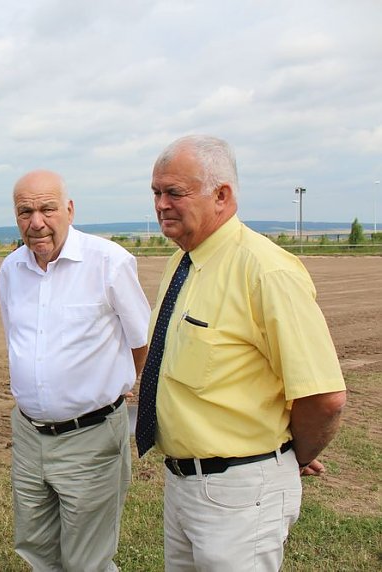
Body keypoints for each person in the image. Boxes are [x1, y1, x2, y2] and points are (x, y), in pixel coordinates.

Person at [138, 135, 347, 570]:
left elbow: (323, 396)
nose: (161, 205)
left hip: (239, 492)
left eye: (174, 192)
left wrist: (292, 458)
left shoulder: (266, 272)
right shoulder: (185, 263)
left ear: (222, 195)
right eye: (156, 192)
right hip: (183, 484)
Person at [0, 170, 151, 571]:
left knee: (88, 560)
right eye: (25, 211)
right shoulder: (11, 270)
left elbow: (141, 341)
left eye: (47, 208)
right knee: (36, 548)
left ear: (69, 209)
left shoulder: (109, 262)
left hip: (91, 436)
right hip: (29, 436)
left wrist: (117, 387)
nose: (36, 222)